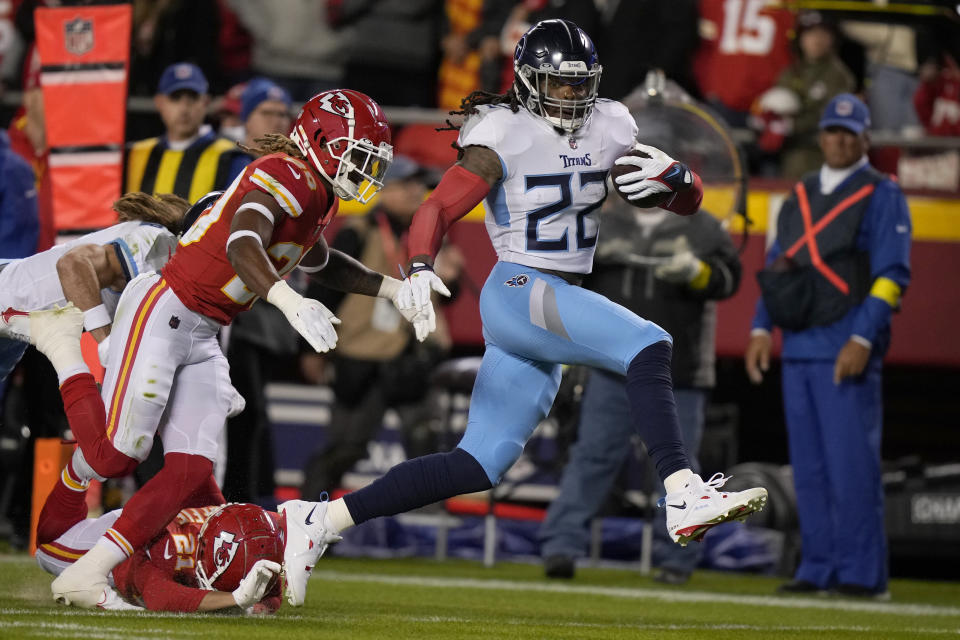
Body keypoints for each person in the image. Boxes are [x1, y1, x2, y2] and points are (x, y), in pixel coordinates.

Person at [278, 20, 768, 602]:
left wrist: (680, 180)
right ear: (531, 82)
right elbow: (436, 209)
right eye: (559, 85)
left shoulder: (611, 123)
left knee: (477, 466)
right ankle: (683, 489)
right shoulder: (503, 132)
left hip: (547, 303)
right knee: (649, 343)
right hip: (518, 287)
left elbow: (685, 205)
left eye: (580, 84)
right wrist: (418, 266)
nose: (572, 96)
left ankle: (318, 522)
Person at [37, 89, 423, 610]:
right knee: (120, 454)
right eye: (357, 154)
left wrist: (394, 291)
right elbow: (245, 243)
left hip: (203, 329)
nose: (365, 169)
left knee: (193, 472)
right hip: (164, 311)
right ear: (318, 140)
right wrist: (288, 302)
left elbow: (318, 260)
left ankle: (90, 573)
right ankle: (63, 352)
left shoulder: (317, 191)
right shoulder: (285, 172)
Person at [745, 94, 911, 599]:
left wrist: (862, 337)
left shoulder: (882, 194)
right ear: (820, 136)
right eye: (832, 131)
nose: (839, 140)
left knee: (851, 468)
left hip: (845, 346)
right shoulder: (799, 193)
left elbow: (892, 276)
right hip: (799, 346)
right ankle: (816, 568)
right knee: (811, 471)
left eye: (849, 132)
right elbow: (780, 266)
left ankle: (863, 576)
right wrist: (759, 327)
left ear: (864, 139)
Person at [540, 196, 742, 584]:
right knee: (593, 457)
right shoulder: (602, 223)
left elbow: (730, 279)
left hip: (677, 373)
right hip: (613, 366)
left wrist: (698, 273)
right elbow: (567, 284)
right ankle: (560, 548)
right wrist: (590, 264)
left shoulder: (703, 226)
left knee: (677, 470)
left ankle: (676, 560)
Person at [299, 155, 462, 501]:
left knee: (425, 440)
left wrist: (453, 277)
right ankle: (307, 513)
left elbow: (449, 295)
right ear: (384, 190)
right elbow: (323, 288)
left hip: (415, 354)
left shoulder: (432, 236)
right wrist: (311, 350)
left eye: (420, 186)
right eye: (406, 185)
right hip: (362, 353)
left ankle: (428, 525)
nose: (416, 193)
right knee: (346, 446)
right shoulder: (357, 231)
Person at [0, 192, 188, 383]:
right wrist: (106, 342)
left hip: (18, 324)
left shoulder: (163, 250)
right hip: (8, 299)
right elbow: (73, 264)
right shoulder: (156, 245)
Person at [36, 473, 284, 613]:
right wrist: (236, 599)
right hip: (57, 544)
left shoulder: (223, 521)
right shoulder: (159, 551)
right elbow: (159, 597)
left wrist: (263, 602)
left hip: (130, 525)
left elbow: (270, 577)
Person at [221, 77, 295, 504]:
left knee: (250, 410)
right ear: (245, 118)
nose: (277, 122)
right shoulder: (231, 162)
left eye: (283, 114)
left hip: (261, 310)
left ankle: (249, 502)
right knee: (239, 411)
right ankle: (238, 503)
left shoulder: (290, 168)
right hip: (230, 307)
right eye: (267, 113)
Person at [125, 63, 245, 202]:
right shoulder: (134, 155)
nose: (184, 109)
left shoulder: (230, 157)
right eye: (175, 98)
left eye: (192, 98)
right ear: (159, 102)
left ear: (205, 102)